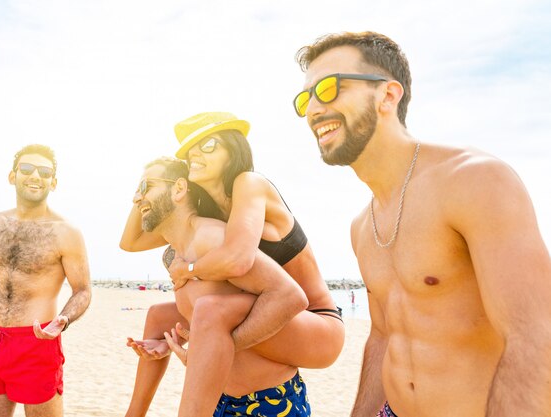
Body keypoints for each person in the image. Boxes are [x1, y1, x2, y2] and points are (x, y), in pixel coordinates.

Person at [294, 31, 551, 417]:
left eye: (329, 89)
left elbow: (535, 336)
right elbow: (382, 337)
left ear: (388, 95)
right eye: (305, 98)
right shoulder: (362, 226)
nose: (313, 109)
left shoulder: (474, 181)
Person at [120, 112, 345, 416]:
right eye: (190, 151)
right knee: (160, 316)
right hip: (273, 310)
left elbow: (239, 261)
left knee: (212, 311)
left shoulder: (249, 184)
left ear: (234, 149)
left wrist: (189, 273)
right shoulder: (207, 215)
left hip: (315, 322)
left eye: (208, 145)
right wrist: (143, 188)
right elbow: (130, 242)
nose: (195, 153)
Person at [131, 157, 311, 416]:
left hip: (268, 402)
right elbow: (215, 320)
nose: (136, 198)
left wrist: (200, 355)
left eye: (146, 186)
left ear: (179, 189)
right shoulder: (173, 257)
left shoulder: (213, 238)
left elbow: (291, 296)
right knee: (159, 314)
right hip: (219, 401)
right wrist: (169, 345)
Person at [0, 144, 92, 417]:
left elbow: (82, 291)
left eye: (44, 172)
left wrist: (63, 320)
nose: (36, 176)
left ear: (53, 183)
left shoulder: (66, 233)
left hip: (36, 343)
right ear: (13, 176)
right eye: (27, 169)